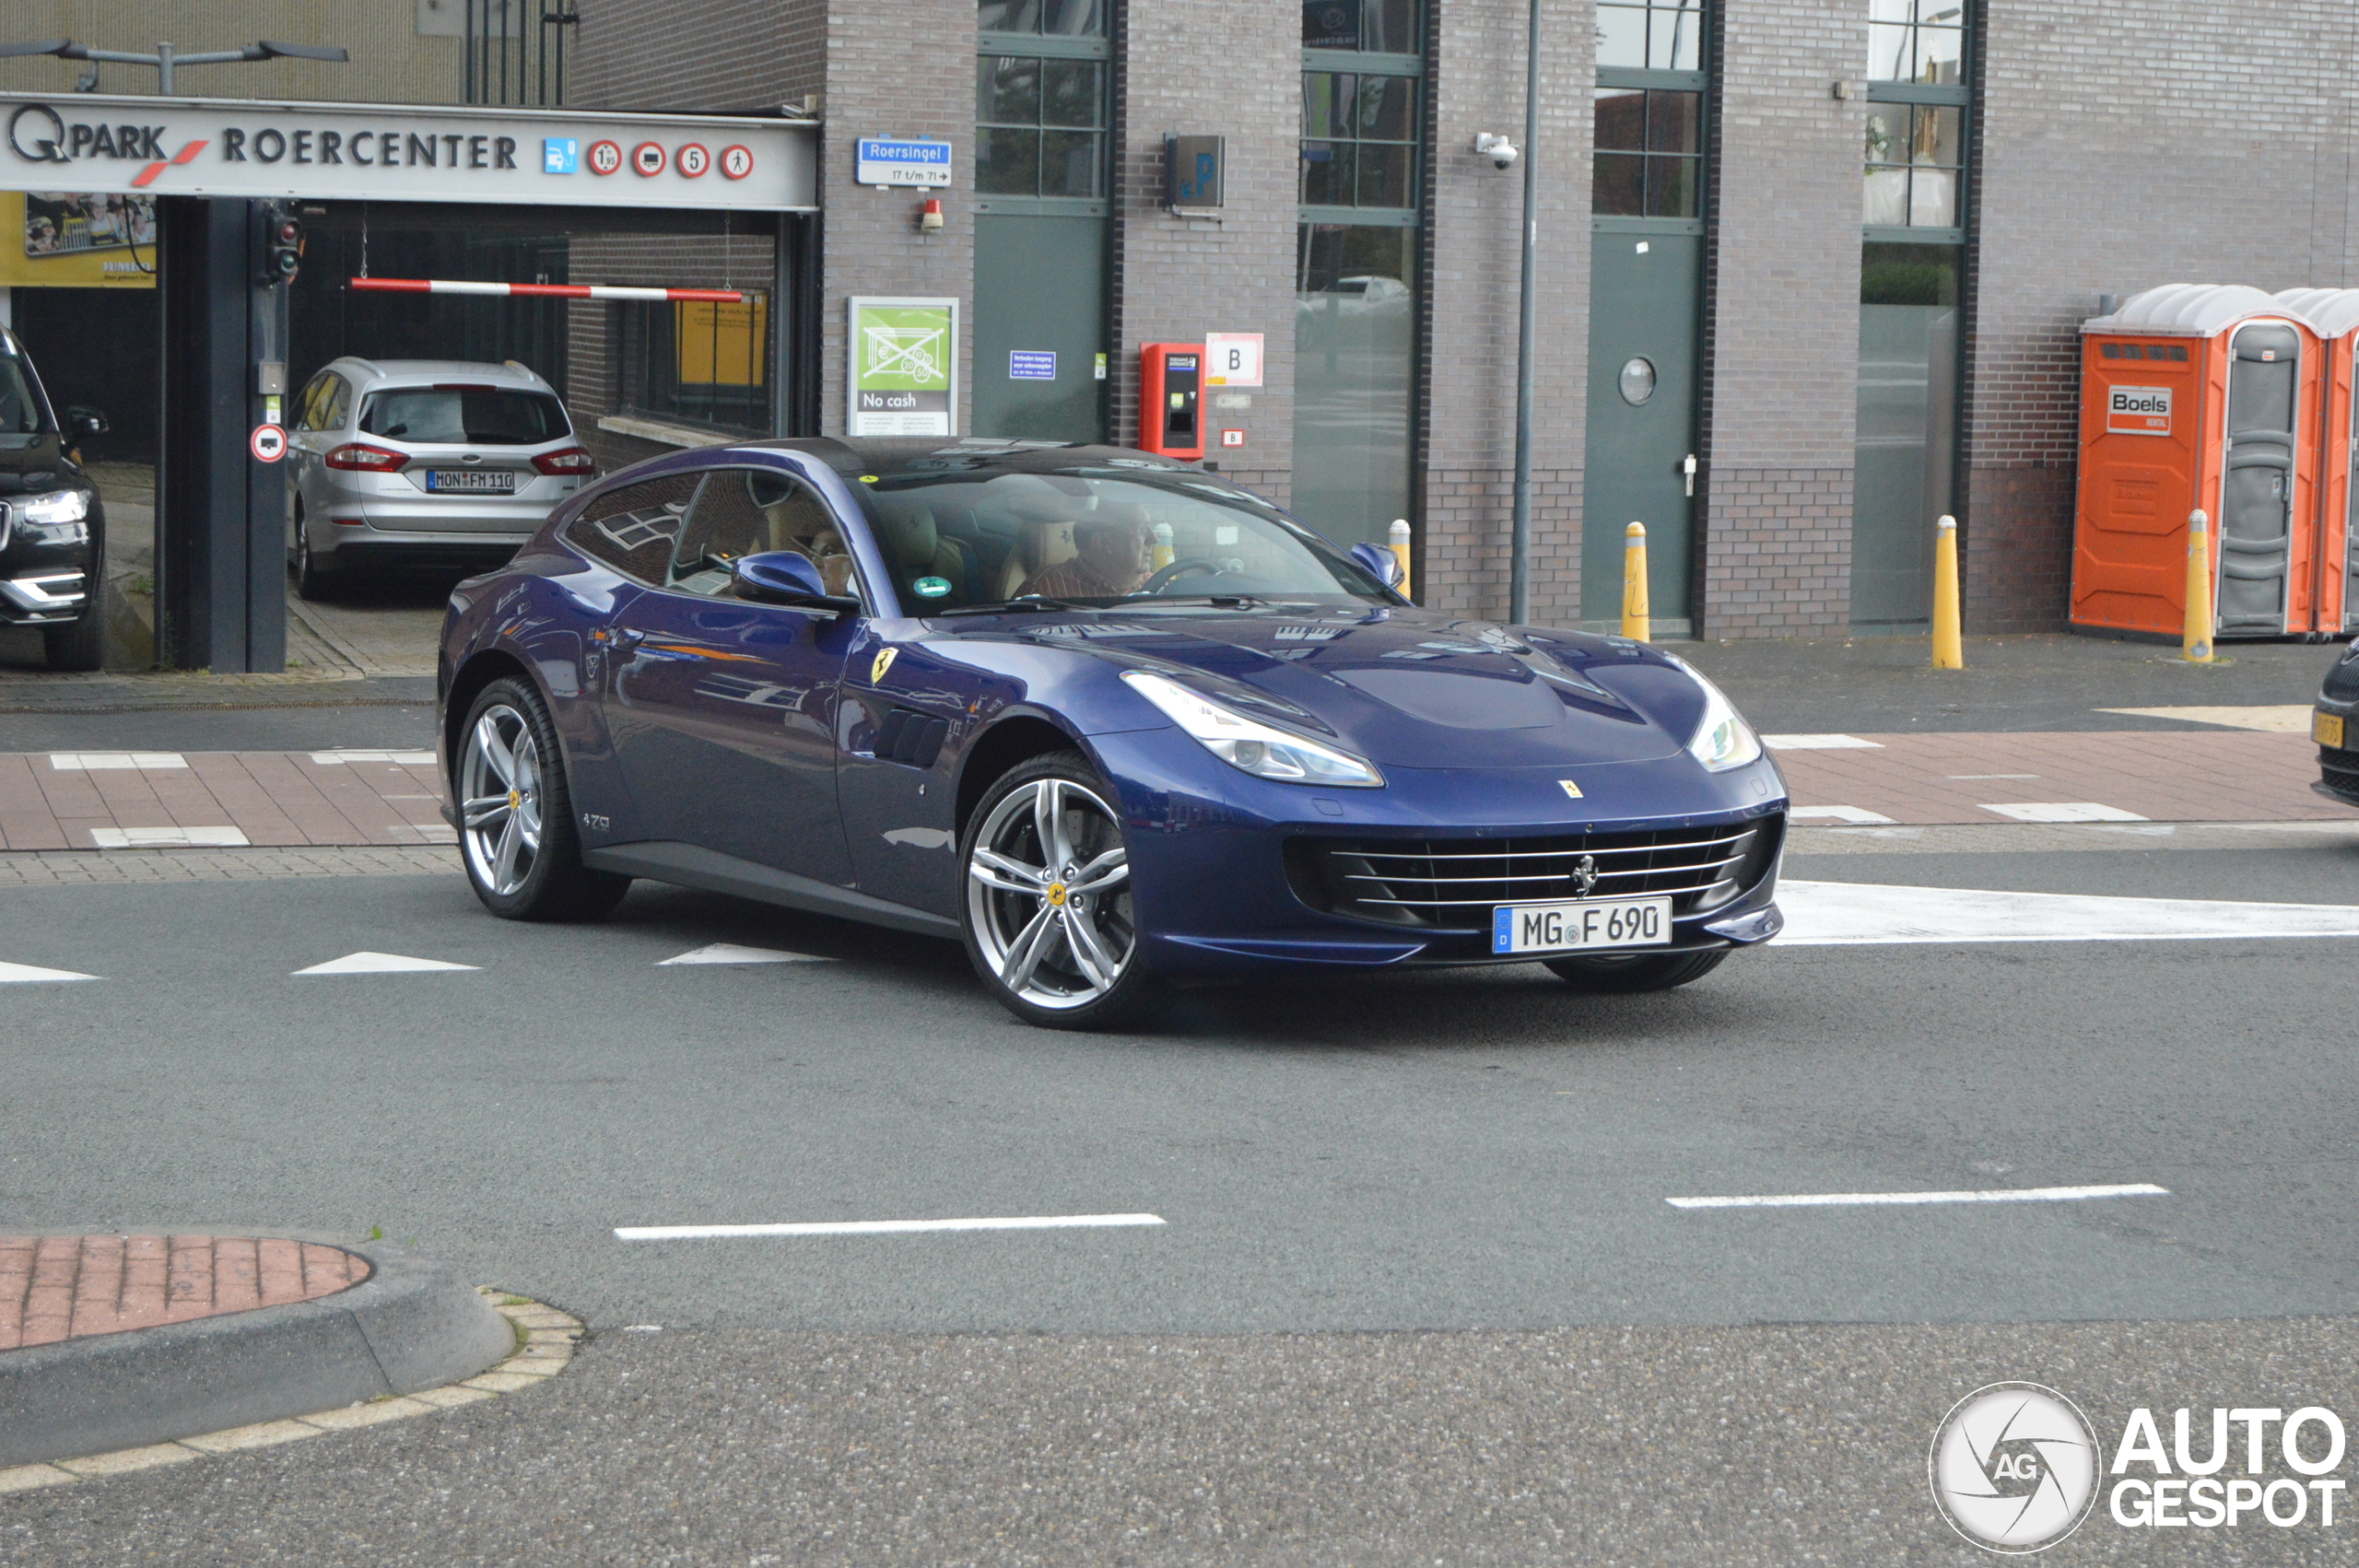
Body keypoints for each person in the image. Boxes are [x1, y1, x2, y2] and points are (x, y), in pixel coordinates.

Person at [1015, 510, 1153, 601]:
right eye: (1141, 528)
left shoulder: (1159, 585)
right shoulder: (1046, 590)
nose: (1154, 538)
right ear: (1103, 542)